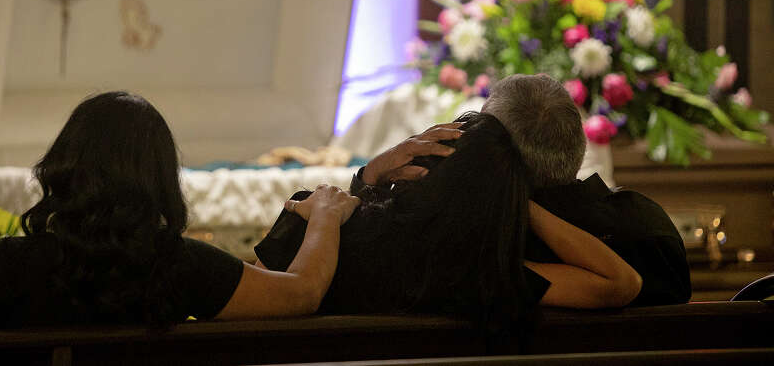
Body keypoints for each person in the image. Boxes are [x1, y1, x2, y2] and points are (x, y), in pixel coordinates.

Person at [0, 91, 360, 329]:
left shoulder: (2, 264)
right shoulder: (180, 265)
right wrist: (324, 213)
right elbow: (301, 293)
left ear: (64, 167)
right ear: (158, 180)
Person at [255, 112, 642, 333]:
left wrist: (368, 178)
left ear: (424, 169)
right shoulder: (484, 275)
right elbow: (621, 282)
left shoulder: (314, 220)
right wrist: (508, 199)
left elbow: (256, 314)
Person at [352, 74, 691, 306]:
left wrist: (370, 178)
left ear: (486, 153)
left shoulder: (474, 244)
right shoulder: (649, 231)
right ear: (578, 142)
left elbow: (369, 244)